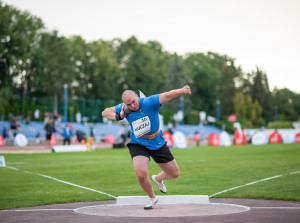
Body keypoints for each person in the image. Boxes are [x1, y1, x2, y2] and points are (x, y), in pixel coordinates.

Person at [102, 85, 191, 210]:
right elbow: (105, 112)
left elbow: (167, 94)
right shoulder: (124, 108)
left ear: (137, 97)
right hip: (138, 143)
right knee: (141, 173)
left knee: (174, 173)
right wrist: (119, 116)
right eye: (129, 104)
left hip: (157, 142)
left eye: (133, 101)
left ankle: (158, 179)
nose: (132, 106)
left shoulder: (149, 102)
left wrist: (181, 91)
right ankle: (152, 197)